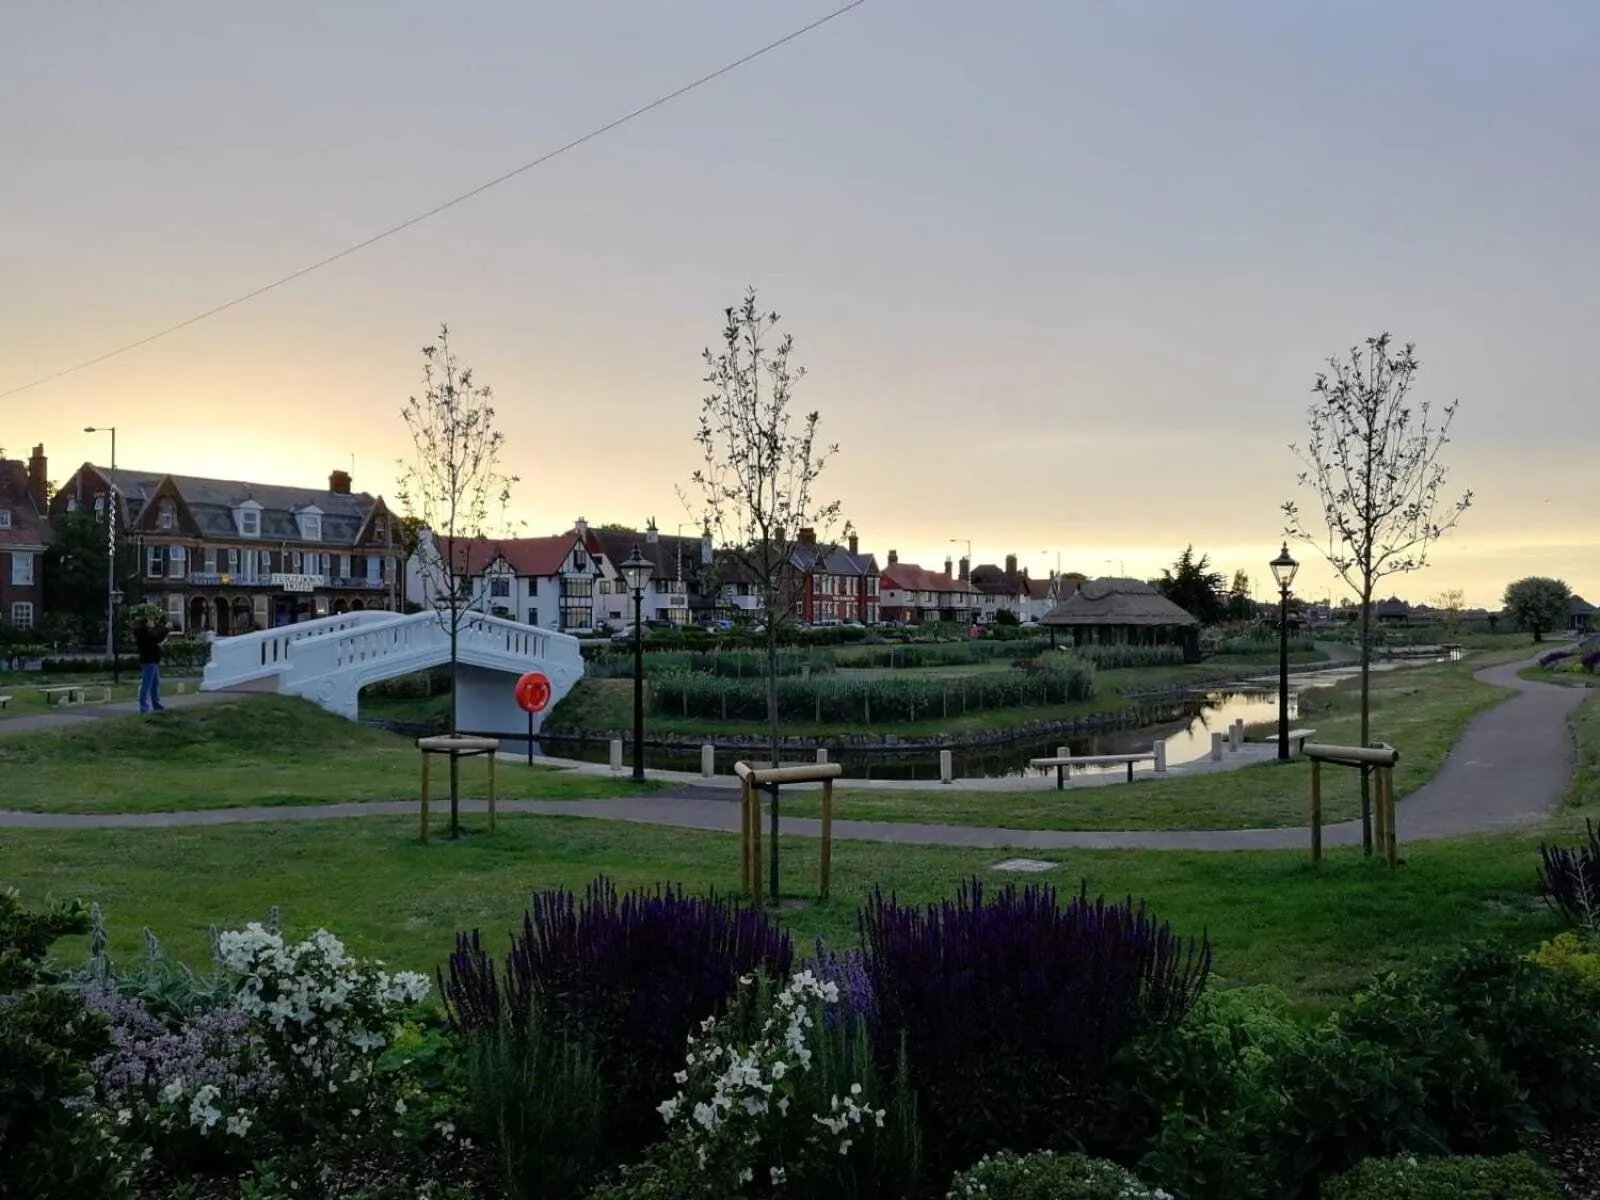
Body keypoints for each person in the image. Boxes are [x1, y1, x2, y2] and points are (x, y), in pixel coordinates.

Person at [134, 613, 169, 714]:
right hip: (149, 660)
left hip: (153, 660)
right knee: (146, 684)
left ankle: (155, 703)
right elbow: (157, 638)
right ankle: (143, 706)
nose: (153, 622)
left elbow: (157, 635)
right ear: (146, 623)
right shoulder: (145, 634)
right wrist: (165, 630)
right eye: (151, 620)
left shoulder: (148, 632)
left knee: (155, 683)